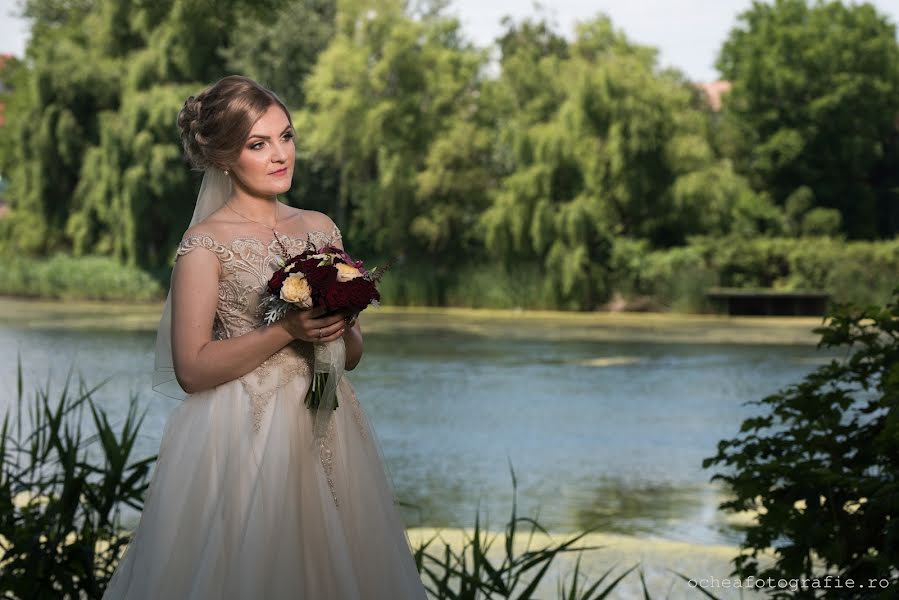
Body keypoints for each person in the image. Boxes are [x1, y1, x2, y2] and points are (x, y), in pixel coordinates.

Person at [102, 75, 427, 600]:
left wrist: (337, 327)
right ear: (226, 157)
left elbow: (355, 353)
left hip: (330, 423)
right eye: (259, 144)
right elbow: (191, 369)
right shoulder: (205, 244)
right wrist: (288, 331)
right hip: (242, 433)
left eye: (286, 136)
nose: (280, 155)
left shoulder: (320, 228)